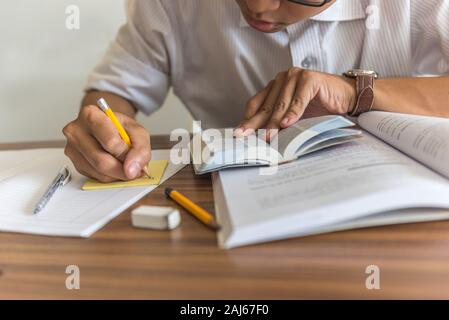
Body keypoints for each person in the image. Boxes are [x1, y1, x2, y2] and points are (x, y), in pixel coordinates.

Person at [63, 0, 449, 182]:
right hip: (232, 199)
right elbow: (111, 94)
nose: (259, 6)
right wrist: (106, 130)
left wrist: (355, 92)